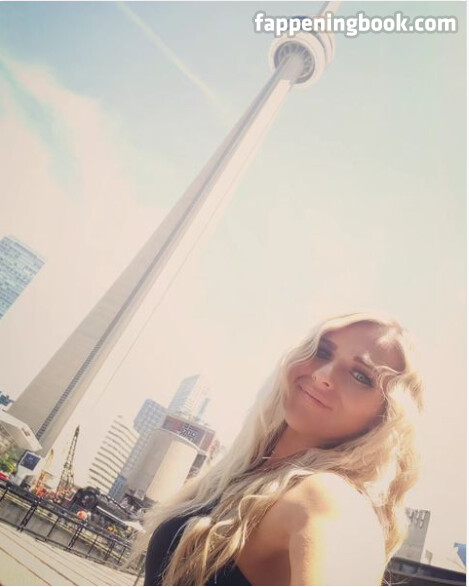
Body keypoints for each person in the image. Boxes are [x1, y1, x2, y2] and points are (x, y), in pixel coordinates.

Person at [142, 311, 424, 586]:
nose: (323, 375)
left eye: (360, 376)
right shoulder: (239, 474)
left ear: (384, 417)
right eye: (322, 352)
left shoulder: (330, 499)